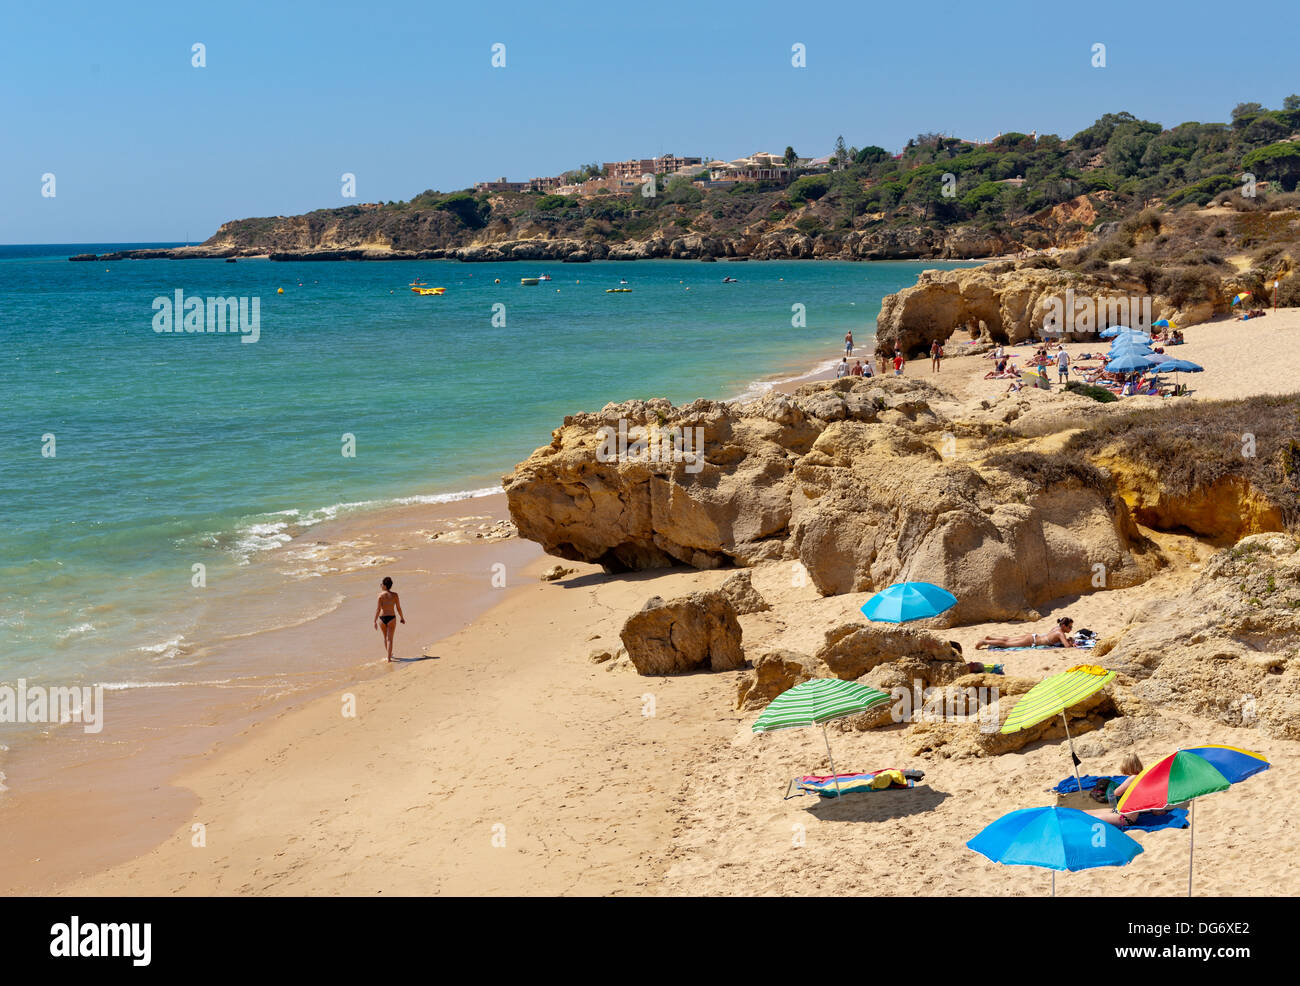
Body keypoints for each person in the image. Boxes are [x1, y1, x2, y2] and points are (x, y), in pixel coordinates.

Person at [1085, 754, 1146, 827]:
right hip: (1121, 811)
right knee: (1083, 813)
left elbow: (1117, 793)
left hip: (1125, 817)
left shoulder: (1133, 778)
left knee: (1087, 818)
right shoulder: (1142, 777)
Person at [974, 616, 1076, 649]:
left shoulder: (1056, 628)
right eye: (1070, 627)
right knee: (1007, 644)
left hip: (1032, 636)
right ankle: (985, 642)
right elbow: (1067, 647)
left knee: (1009, 639)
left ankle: (991, 638)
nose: (1071, 629)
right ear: (1064, 626)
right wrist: (1071, 642)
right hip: (1032, 641)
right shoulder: (1061, 633)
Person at [373, 576, 406, 662]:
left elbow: (378, 609)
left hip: (382, 618)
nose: (380, 585)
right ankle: (389, 658)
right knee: (390, 639)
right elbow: (398, 608)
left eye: (381, 584)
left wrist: (374, 621)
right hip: (391, 618)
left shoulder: (380, 595)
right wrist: (402, 617)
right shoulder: (395, 595)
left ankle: (389, 655)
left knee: (385, 638)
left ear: (384, 585)